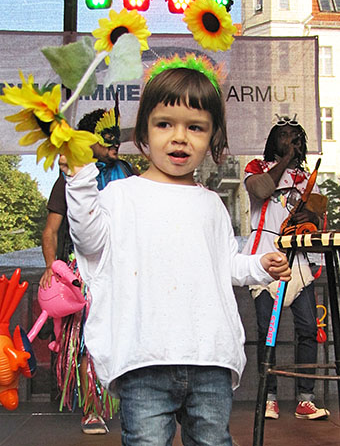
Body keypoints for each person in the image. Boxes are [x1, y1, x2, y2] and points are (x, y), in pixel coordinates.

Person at [60, 55, 291, 445]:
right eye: (165, 124)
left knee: (213, 440)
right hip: (144, 358)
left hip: (209, 356)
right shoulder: (120, 195)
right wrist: (80, 179)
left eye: (195, 127)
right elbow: (89, 243)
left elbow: (225, 265)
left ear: (213, 138)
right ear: (144, 134)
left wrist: (259, 266)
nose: (180, 137)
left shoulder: (212, 204)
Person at [39, 105, 137, 435]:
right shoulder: (69, 178)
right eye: (107, 138)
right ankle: (93, 409)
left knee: (126, 336)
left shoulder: (128, 172)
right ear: (87, 141)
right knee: (86, 341)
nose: (115, 144)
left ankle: (132, 403)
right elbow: (50, 230)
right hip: (82, 274)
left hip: (124, 271)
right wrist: (53, 268)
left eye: (117, 139)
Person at [242, 115, 330, 420]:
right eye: (284, 136)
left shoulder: (307, 179)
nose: (290, 141)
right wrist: (287, 160)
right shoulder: (256, 168)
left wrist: (310, 214)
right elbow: (262, 190)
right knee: (268, 331)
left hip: (299, 263)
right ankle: (269, 397)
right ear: (272, 141)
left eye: (296, 137)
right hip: (264, 258)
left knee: (308, 329)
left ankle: (306, 398)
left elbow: (318, 220)